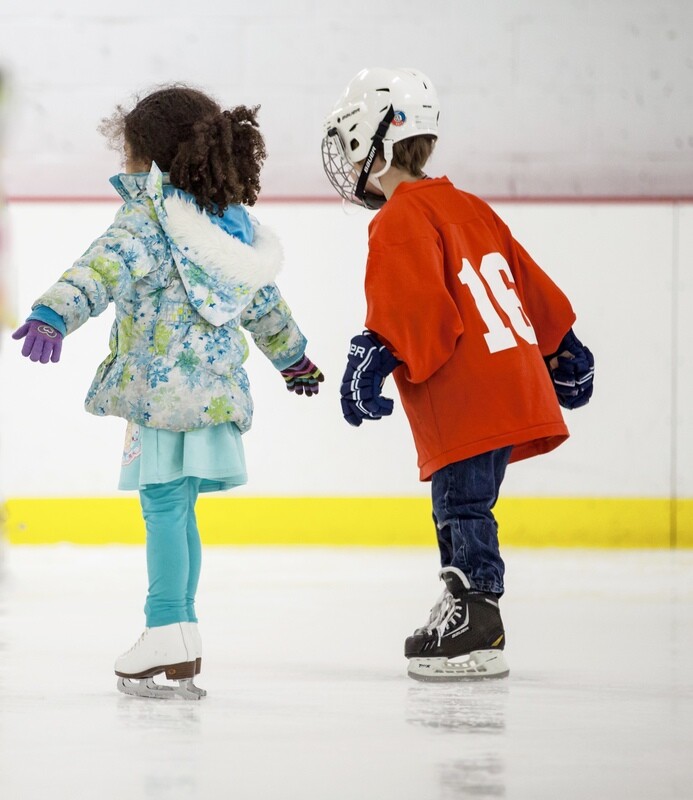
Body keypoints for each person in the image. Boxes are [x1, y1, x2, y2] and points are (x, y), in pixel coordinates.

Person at [13, 85, 324, 699]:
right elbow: (261, 298)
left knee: (162, 509)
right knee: (180, 511)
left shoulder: (149, 219)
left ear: (147, 157)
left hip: (160, 394)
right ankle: (182, 630)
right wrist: (293, 358)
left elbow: (100, 267)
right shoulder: (225, 223)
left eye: (126, 149)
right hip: (211, 396)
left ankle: (166, 628)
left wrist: (53, 314)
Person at [322, 68, 593, 681]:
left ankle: (477, 617)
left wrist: (373, 354)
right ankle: (466, 605)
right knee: (471, 503)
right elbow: (526, 285)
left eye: (348, 142)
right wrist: (563, 347)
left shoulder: (397, 219)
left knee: (460, 508)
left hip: (466, 399)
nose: (345, 159)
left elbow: (418, 314)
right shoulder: (470, 206)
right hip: (512, 388)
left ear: (379, 138)